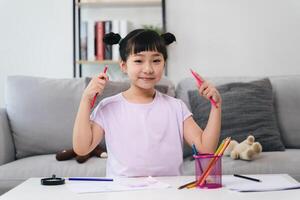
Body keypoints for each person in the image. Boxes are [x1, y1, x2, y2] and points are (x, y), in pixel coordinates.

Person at [73, 29, 222, 177]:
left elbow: (206, 149)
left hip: (169, 191)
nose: (148, 69)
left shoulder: (176, 107)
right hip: (123, 191)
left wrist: (216, 106)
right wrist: (86, 99)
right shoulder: (108, 107)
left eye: (156, 60)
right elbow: (82, 148)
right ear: (124, 65)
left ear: (164, 64)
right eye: (138, 61)